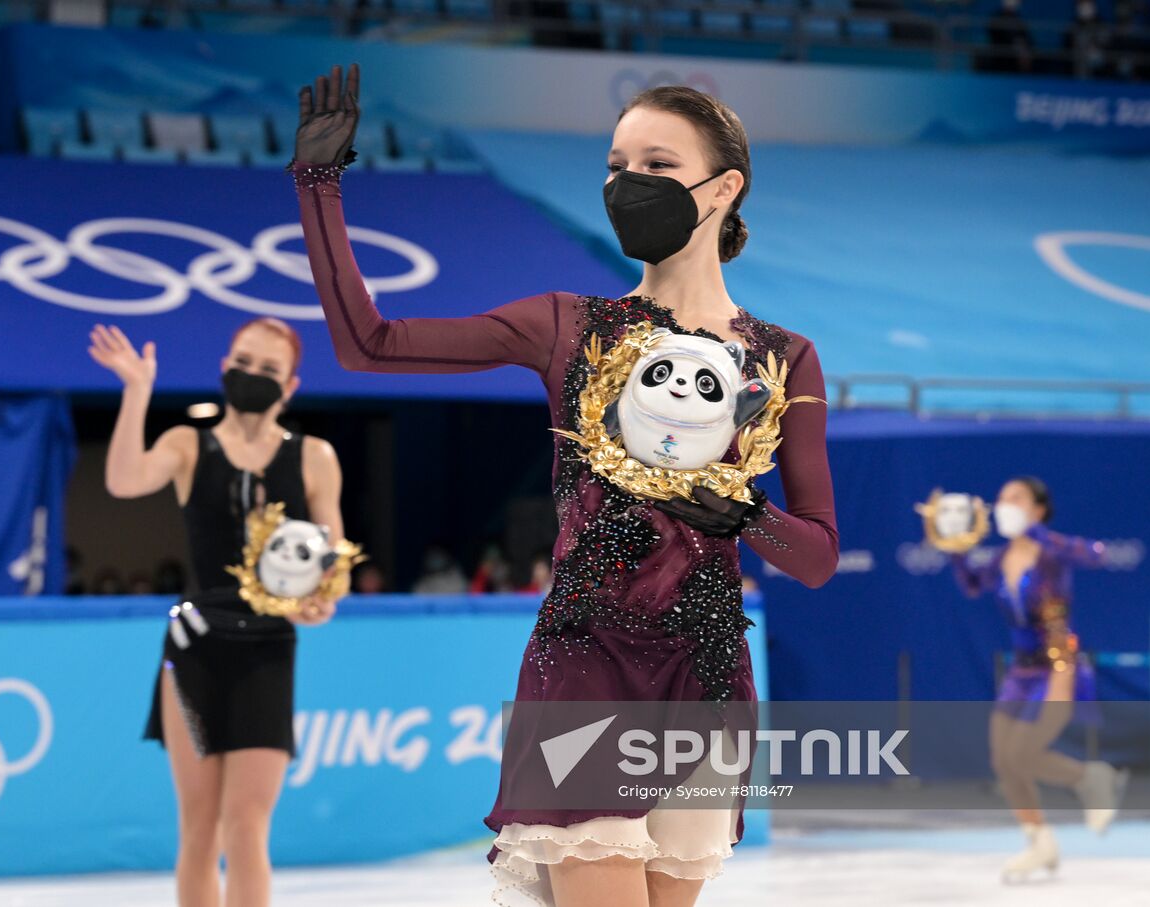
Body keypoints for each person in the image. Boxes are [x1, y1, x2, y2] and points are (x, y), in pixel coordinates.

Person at [287, 64, 837, 907]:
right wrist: (318, 183)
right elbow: (370, 344)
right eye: (618, 165)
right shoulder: (570, 326)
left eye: (657, 164)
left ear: (724, 187)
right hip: (586, 662)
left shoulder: (784, 358)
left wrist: (745, 513)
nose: (628, 183)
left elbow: (817, 557)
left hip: (708, 676)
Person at [90, 317, 347, 907]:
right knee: (199, 828)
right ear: (225, 366)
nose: (253, 375)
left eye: (269, 369)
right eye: (244, 362)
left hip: (267, 652)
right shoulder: (188, 444)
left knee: (246, 826)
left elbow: (335, 563)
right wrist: (136, 391)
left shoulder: (314, 457)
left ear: (291, 386)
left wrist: (321, 602)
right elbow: (124, 481)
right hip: (193, 653)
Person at [946, 475, 1126, 882]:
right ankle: (1039, 842)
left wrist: (1038, 533)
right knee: (1004, 761)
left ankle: (1091, 778)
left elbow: (1097, 554)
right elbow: (973, 585)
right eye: (1002, 497)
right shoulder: (1001, 558)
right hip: (1022, 670)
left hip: (1059, 665)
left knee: (1024, 754)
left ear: (1038, 509)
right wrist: (957, 550)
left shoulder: (1052, 552)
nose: (1005, 504)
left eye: (1017, 498)